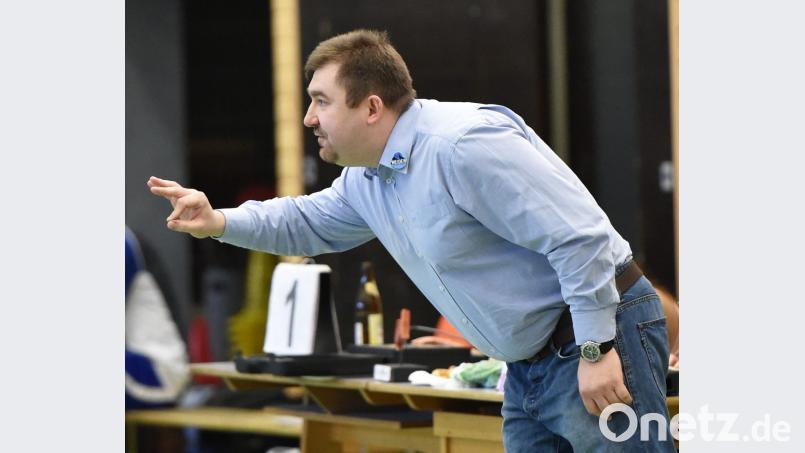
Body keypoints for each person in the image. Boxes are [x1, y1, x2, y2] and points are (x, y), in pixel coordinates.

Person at [149, 29, 674, 451]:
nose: (308, 118)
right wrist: (217, 220)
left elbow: (580, 240)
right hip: (529, 365)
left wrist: (595, 348)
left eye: (320, 101)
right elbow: (307, 222)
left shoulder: (461, 145)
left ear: (371, 107)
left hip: (596, 334)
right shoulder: (368, 177)